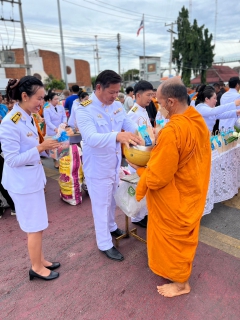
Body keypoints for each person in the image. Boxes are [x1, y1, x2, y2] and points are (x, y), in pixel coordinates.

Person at [130, 77, 211, 298]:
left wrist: (139, 168)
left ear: (172, 102)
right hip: (191, 190)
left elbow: (156, 178)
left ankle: (181, 283)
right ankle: (178, 275)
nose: (159, 106)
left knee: (173, 240)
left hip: (175, 197)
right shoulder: (196, 121)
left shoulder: (173, 130)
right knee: (182, 238)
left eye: (160, 102)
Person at [75, 70, 141, 261]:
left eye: (117, 92)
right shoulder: (84, 109)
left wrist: (144, 133)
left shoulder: (117, 105)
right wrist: (117, 136)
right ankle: (104, 243)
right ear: (98, 88)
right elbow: (91, 138)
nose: (115, 96)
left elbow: (130, 125)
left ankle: (111, 227)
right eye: (111, 92)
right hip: (97, 167)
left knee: (112, 200)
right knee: (101, 205)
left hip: (113, 165)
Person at [0, 76, 61, 281]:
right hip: (22, 183)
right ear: (24, 96)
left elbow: (32, 149)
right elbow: (12, 159)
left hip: (32, 179)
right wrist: (41, 148)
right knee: (33, 226)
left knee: (38, 224)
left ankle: (40, 259)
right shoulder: (10, 122)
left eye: (43, 98)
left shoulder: (27, 116)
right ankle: (36, 267)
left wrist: (47, 149)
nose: (41, 103)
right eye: (39, 98)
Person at [127, 80, 154, 228]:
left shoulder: (144, 110)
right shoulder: (133, 114)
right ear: (138, 95)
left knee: (144, 187)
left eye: (152, 94)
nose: (151, 98)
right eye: (148, 95)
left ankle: (142, 214)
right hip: (138, 157)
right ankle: (137, 218)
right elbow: (131, 138)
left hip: (145, 156)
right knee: (138, 187)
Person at [44, 92, 67, 168]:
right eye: (55, 99)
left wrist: (64, 123)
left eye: (58, 99)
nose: (57, 100)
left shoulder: (60, 106)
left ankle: (63, 160)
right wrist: (55, 128)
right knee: (54, 147)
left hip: (61, 129)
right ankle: (55, 162)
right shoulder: (47, 109)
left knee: (63, 145)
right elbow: (47, 121)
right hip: (52, 130)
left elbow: (64, 116)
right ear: (50, 100)